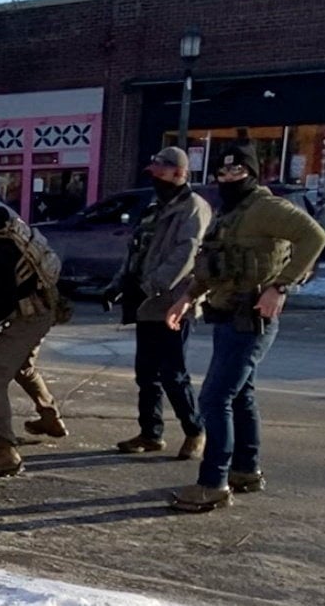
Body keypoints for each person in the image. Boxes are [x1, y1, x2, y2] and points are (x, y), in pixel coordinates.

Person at [166, 142, 325, 512]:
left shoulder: (265, 208)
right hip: (228, 313)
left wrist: (280, 285)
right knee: (240, 394)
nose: (227, 179)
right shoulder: (232, 211)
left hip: (251, 316)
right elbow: (215, 263)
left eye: (236, 172)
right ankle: (245, 470)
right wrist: (187, 297)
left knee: (214, 397)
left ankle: (213, 484)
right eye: (221, 173)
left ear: (252, 173)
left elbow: (315, 237)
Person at [0, 190, 69, 478]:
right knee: (23, 366)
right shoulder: (6, 227)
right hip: (45, 305)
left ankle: (6, 451)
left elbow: (2, 303)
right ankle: (50, 417)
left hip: (31, 314)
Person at [104, 147, 210, 460]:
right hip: (146, 302)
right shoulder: (156, 207)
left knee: (173, 373)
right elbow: (136, 250)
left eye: (161, 171)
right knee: (146, 373)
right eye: (154, 172)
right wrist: (117, 284)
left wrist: (153, 284)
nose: (155, 177)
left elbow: (186, 254)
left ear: (179, 173)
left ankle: (195, 430)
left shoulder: (192, 207)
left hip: (174, 303)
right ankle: (151, 432)